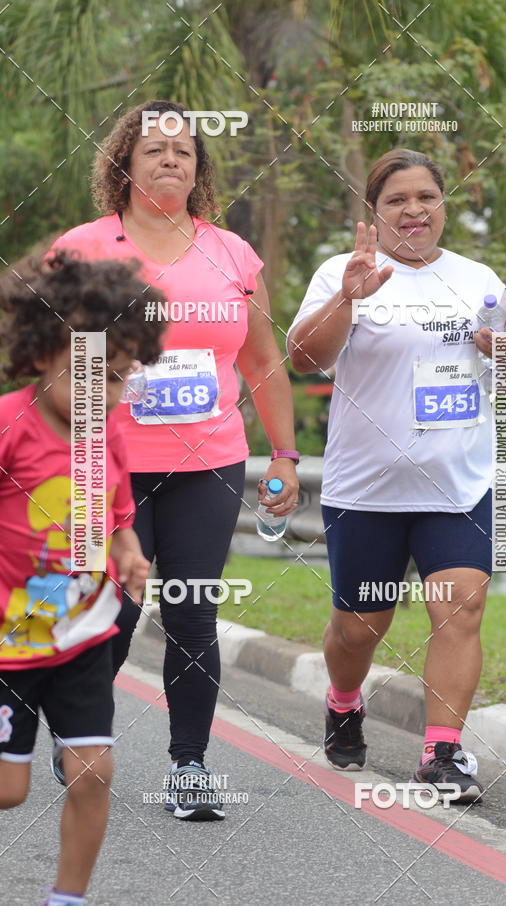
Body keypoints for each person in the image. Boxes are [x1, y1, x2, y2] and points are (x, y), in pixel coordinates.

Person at [53, 99, 300, 820]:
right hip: (109, 465)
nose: (170, 159)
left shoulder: (230, 253)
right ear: (125, 163)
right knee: (113, 614)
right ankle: (79, 736)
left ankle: (189, 766)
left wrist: (284, 453)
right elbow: (54, 360)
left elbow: (262, 361)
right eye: (155, 149)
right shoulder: (85, 247)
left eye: (184, 151)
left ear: (199, 169)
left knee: (192, 613)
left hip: (210, 463)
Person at [287, 148, 506, 803]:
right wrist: (349, 298)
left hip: (456, 488)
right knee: (359, 627)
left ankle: (443, 754)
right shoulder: (345, 274)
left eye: (426, 196)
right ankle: (344, 700)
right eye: (397, 199)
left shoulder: (480, 280)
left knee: (460, 608)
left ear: (443, 204)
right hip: (365, 490)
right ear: (375, 211)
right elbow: (303, 357)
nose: (414, 209)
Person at [0, 251, 166, 906]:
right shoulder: (11, 427)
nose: (107, 393)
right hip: (13, 632)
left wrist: (126, 549)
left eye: (120, 378)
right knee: (9, 790)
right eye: (93, 371)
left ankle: (66, 900)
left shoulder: (108, 434)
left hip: (82, 628)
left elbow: (116, 507)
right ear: (43, 354)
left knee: (92, 771)